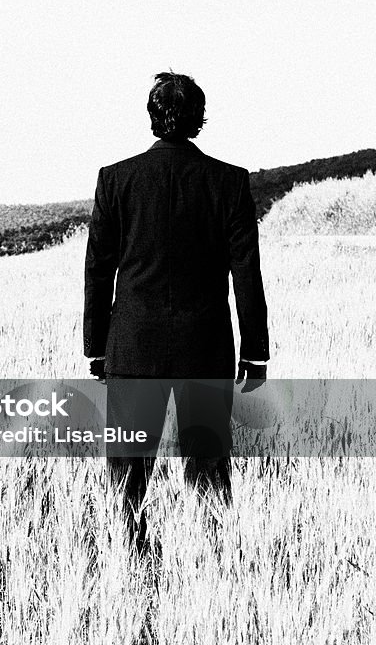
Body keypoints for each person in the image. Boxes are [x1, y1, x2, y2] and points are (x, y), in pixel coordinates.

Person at [82, 72, 270, 553]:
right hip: (204, 345)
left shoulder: (116, 179)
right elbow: (246, 271)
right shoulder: (229, 182)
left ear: (152, 117)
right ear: (199, 120)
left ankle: (133, 559)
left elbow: (99, 272)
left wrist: (96, 349)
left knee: (127, 470)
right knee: (208, 465)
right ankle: (211, 561)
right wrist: (256, 352)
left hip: (132, 345)